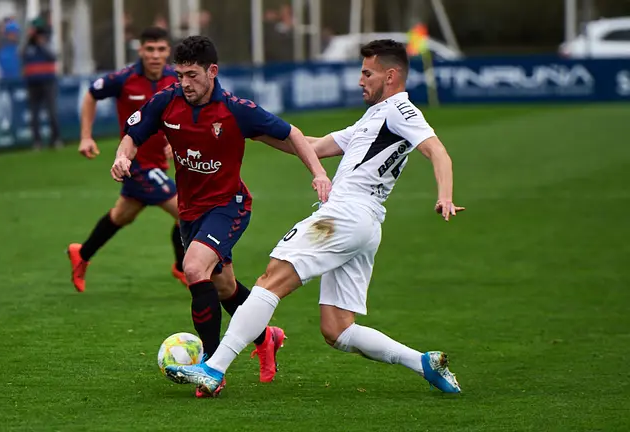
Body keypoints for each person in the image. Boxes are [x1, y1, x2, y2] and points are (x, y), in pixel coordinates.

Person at [165, 39, 464, 397]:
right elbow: (315, 145)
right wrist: (254, 130)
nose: (360, 80)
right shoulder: (375, 117)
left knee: (271, 278)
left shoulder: (402, 110)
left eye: (367, 73)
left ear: (391, 75)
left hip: (344, 216)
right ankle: (424, 363)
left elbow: (437, 151)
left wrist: (444, 195)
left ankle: (213, 369)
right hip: (364, 224)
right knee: (337, 329)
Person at [112, 36, 332, 397]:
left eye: (193, 75)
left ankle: (212, 367)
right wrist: (123, 156)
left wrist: (318, 173)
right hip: (190, 210)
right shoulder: (167, 101)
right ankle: (266, 337)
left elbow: (291, 133)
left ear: (212, 72)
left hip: (229, 205)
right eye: (180, 75)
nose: (185, 83)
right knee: (223, 286)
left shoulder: (235, 109)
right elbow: (133, 133)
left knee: (194, 268)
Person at [68, 27, 184, 291]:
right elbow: (91, 95)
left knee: (122, 216)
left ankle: (82, 253)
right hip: (135, 164)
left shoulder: (175, 79)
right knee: (187, 211)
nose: (155, 55)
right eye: (150, 49)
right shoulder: (124, 79)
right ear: (140, 50)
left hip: (157, 162)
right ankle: (181, 266)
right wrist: (86, 136)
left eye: (161, 49)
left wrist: (173, 140)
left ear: (168, 52)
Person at [22, 26, 61, 149]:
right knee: (34, 113)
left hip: (48, 82)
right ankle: (37, 141)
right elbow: (22, 55)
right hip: (33, 84)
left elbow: (53, 56)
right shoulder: (29, 48)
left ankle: (55, 139)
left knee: (52, 112)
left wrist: (42, 45)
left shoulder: (48, 45)